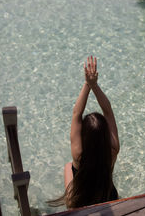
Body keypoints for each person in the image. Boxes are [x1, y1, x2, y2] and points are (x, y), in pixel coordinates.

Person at [48, 56, 119, 209]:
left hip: (79, 200)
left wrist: (88, 83)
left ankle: (70, 206)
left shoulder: (78, 154)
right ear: (106, 133)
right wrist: (95, 85)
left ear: (84, 135)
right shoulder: (112, 150)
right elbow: (108, 110)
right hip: (107, 195)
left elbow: (76, 114)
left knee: (68, 166)